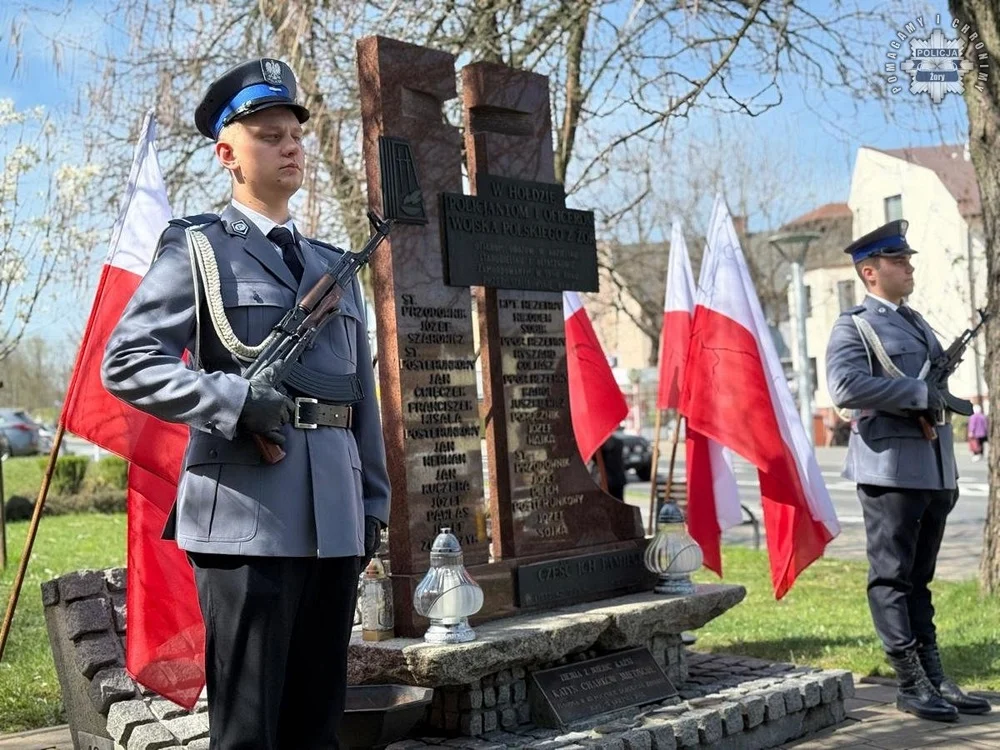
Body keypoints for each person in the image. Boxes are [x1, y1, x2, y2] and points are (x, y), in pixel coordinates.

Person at [102, 58, 390, 749]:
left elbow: (361, 397)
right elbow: (128, 362)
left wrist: (373, 503)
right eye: (268, 134)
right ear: (227, 154)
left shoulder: (332, 266)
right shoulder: (199, 251)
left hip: (336, 520)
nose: (290, 146)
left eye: (295, 134)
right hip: (246, 521)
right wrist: (232, 401)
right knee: (250, 731)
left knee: (316, 725)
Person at [825, 219, 989, 723]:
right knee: (892, 578)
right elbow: (846, 387)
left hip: (935, 469)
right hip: (891, 470)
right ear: (870, 272)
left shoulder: (916, 321)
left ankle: (935, 675)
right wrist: (920, 393)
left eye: (908, 259)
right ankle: (909, 680)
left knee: (920, 580)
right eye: (899, 261)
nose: (909, 266)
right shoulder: (853, 325)